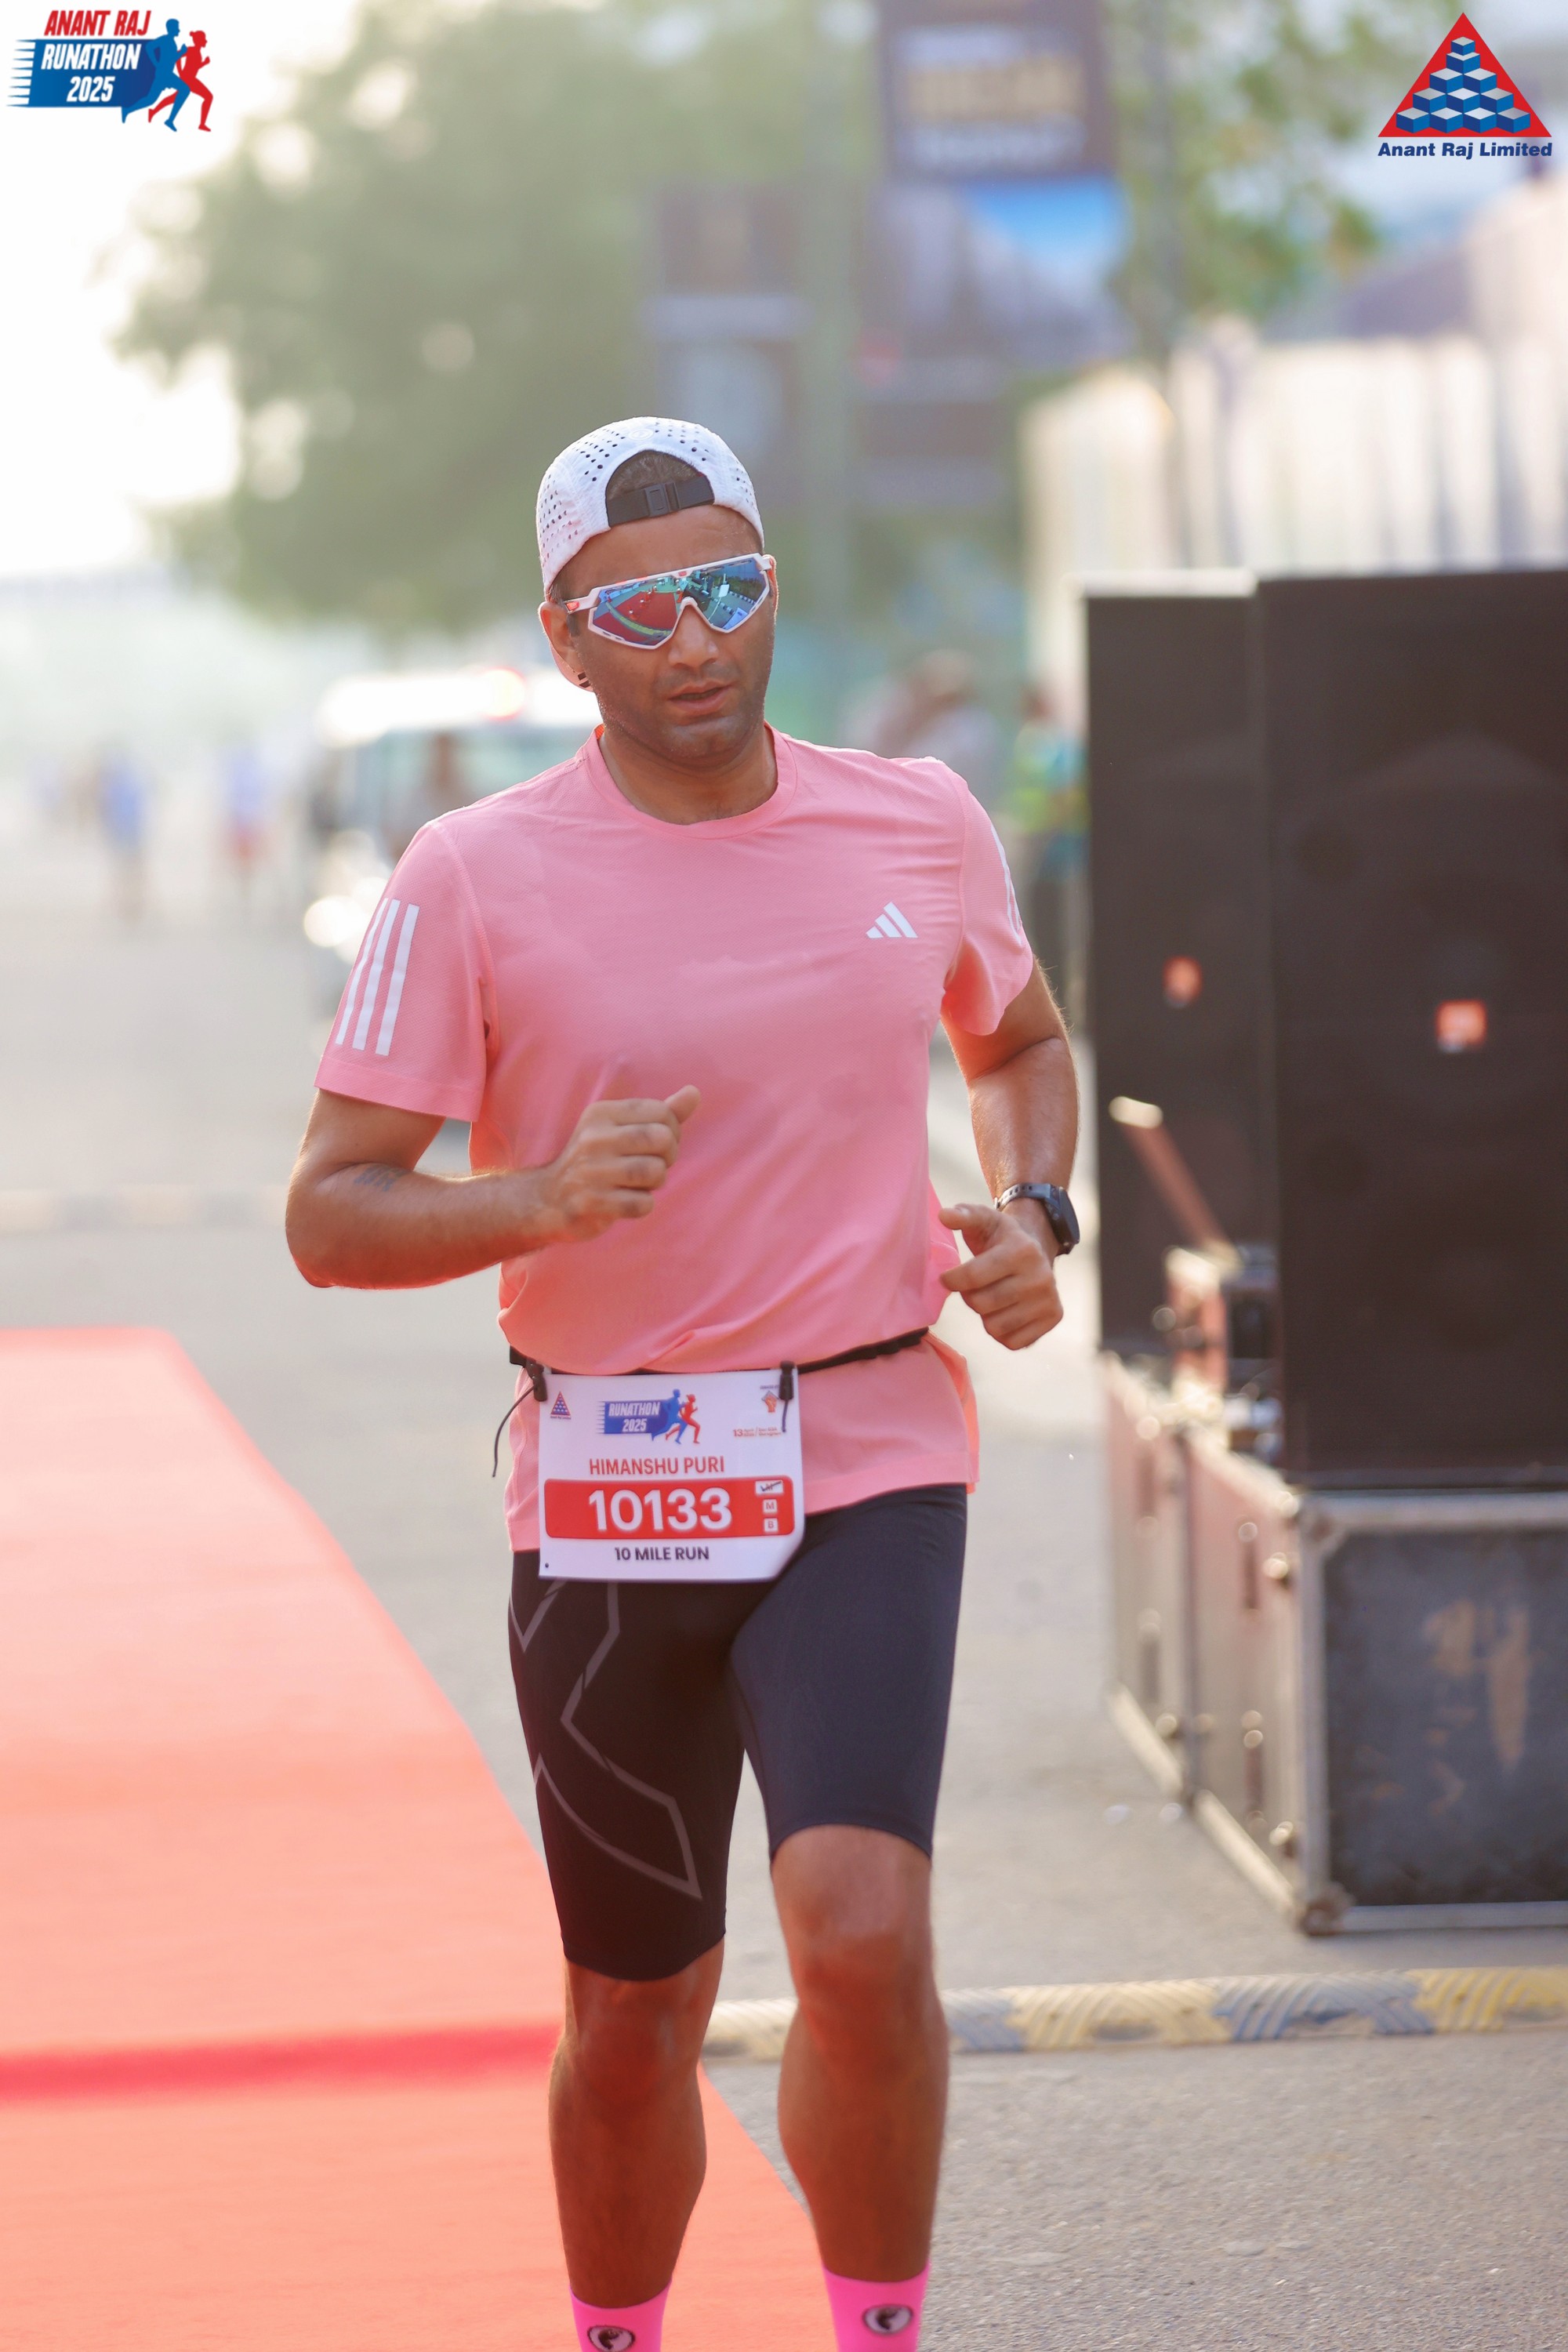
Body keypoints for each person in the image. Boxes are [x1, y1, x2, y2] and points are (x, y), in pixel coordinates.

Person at [285, 418, 1080, 2352]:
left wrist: (1035, 1212)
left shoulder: (918, 821)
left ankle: (876, 2329)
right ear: (565, 641)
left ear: (771, 592)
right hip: (612, 1477)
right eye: (638, 612)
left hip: (869, 1449)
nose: (695, 639)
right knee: (635, 2011)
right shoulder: (469, 875)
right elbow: (329, 1212)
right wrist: (537, 1200)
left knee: (865, 1942)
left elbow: (1020, 1041)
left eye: (726, 590)